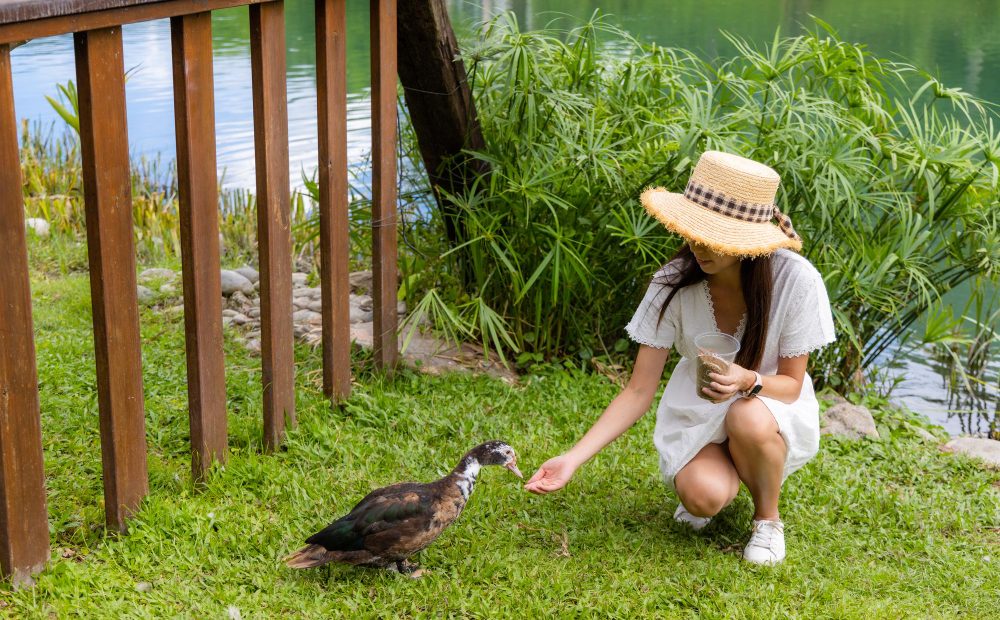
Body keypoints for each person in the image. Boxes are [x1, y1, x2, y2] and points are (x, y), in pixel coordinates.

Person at [524, 151, 836, 565]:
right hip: (700, 406)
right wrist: (573, 458)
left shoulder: (795, 280)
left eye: (713, 236)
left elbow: (793, 386)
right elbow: (637, 392)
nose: (697, 245)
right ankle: (722, 471)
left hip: (770, 406)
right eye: (692, 229)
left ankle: (767, 521)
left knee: (746, 416)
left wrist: (747, 381)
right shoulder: (672, 283)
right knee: (702, 498)